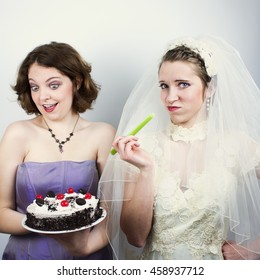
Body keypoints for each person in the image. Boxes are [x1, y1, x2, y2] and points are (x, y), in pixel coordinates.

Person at [99, 35, 260, 260]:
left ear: (210, 88)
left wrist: (253, 251)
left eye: (183, 84)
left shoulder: (236, 145)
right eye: (164, 86)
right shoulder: (141, 148)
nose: (170, 97)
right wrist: (146, 171)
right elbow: (135, 238)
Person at [0, 42, 116, 259]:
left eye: (53, 85)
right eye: (35, 87)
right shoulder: (17, 133)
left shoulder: (103, 134)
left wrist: (85, 248)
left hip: (88, 259)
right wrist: (47, 222)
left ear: (77, 82)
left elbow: (112, 213)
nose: (42, 96)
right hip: (28, 259)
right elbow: (1, 212)